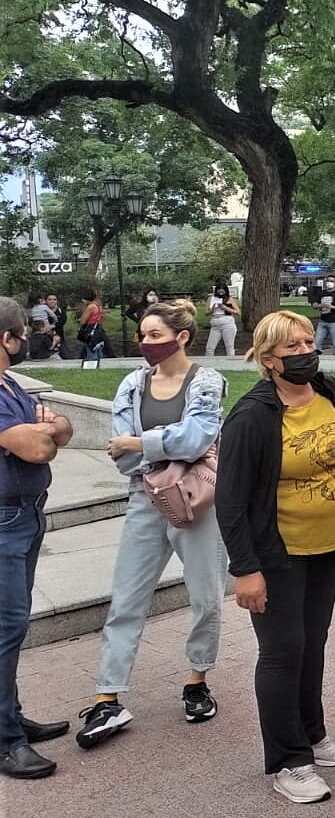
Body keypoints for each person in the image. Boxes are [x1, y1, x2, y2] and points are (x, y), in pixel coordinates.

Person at [215, 310, 335, 804]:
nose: (307, 351)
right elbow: (231, 502)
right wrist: (246, 570)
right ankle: (289, 760)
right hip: (278, 555)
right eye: (293, 347)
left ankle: (312, 732)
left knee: (313, 642)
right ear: (268, 360)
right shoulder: (251, 417)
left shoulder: (330, 391)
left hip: (330, 545)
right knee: (283, 651)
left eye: (309, 341)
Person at [77, 301, 227, 749]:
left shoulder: (207, 381)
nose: (146, 343)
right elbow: (121, 454)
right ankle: (108, 697)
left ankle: (197, 681)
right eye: (143, 334)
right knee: (126, 597)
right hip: (145, 499)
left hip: (197, 501)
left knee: (206, 597)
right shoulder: (132, 382)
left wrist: (142, 442)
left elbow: (198, 436)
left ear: (181, 337)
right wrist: (159, 446)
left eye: (156, 335)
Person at [0, 297, 74, 779]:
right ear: (7, 338)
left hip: (26, 515)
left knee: (12, 627)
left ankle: (10, 717)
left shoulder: (9, 384)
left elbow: (60, 430)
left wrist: (48, 429)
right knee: (4, 630)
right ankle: (5, 741)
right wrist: (42, 432)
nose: (29, 339)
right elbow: (38, 445)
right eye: (24, 332)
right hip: (3, 521)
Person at [310, 278, 335, 356]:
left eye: (331, 281)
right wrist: (321, 305)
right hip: (323, 321)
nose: (329, 283)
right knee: (317, 341)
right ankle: (317, 358)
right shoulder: (322, 293)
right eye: (328, 281)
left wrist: (331, 307)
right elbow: (314, 305)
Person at [206, 285, 241, 357]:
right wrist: (212, 309)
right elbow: (206, 313)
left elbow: (238, 312)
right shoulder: (210, 299)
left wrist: (225, 308)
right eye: (219, 290)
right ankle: (209, 364)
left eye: (222, 291)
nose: (221, 293)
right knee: (209, 348)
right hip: (215, 324)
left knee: (229, 346)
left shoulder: (229, 299)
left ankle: (230, 364)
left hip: (227, 323)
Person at [79, 288, 108, 360]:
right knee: (98, 351)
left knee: (91, 352)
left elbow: (83, 321)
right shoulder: (98, 306)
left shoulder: (90, 307)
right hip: (98, 330)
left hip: (90, 330)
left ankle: (92, 366)